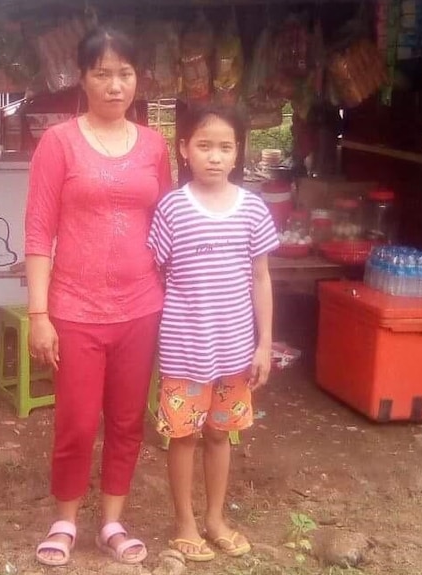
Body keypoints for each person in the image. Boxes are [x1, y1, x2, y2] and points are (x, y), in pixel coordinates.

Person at [25, 27, 172, 567]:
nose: (115, 85)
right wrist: (39, 314)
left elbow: (166, 225)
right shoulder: (58, 142)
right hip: (74, 308)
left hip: (141, 306)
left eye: (125, 73)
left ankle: (112, 521)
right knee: (78, 421)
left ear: (138, 79)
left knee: (128, 420)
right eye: (103, 73)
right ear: (82, 79)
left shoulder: (155, 146)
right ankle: (64, 520)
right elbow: (39, 231)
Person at [147, 104, 279, 562]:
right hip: (185, 351)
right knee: (183, 436)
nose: (215, 157)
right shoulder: (172, 208)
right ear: (184, 150)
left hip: (237, 352)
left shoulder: (253, 209)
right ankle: (184, 522)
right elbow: (157, 276)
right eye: (204, 146)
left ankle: (215, 518)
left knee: (220, 436)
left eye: (225, 147)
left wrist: (264, 345)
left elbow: (261, 278)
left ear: (238, 152)